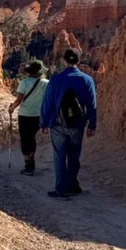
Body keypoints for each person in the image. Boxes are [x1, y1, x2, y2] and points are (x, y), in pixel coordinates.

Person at [40, 48, 97, 199]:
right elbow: (92, 104)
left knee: (59, 156)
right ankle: (73, 185)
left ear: (64, 60)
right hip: (77, 125)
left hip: (58, 126)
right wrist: (92, 125)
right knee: (74, 156)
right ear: (78, 61)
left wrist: (44, 122)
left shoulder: (56, 79)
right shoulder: (87, 80)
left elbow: (48, 103)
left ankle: (61, 188)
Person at [8, 59, 48, 176]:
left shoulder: (24, 83)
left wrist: (11, 108)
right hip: (38, 115)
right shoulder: (47, 83)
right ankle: (32, 162)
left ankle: (28, 166)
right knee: (32, 138)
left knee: (26, 139)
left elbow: (18, 100)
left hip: (25, 115)